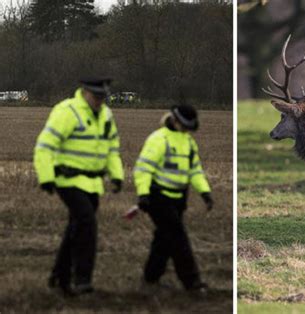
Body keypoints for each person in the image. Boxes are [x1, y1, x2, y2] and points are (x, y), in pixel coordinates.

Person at [33, 78, 124, 296]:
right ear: (84, 92)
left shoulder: (106, 115)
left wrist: (117, 176)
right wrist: (46, 178)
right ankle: (82, 279)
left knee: (75, 228)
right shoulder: (67, 111)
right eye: (96, 97)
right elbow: (45, 147)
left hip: (92, 183)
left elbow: (111, 149)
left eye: (103, 98)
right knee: (87, 224)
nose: (100, 102)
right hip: (68, 181)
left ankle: (59, 276)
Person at [133, 104, 213, 292]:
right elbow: (143, 169)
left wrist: (205, 192)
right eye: (184, 125)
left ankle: (151, 277)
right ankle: (192, 281)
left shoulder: (188, 142)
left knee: (163, 238)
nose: (186, 130)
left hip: (178, 200)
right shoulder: (158, 139)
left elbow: (195, 171)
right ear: (174, 121)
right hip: (157, 198)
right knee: (178, 238)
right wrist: (143, 194)